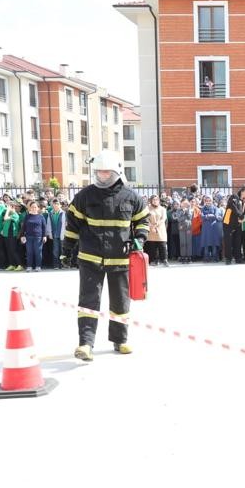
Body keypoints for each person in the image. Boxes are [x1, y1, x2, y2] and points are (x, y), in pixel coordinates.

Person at [62, 150, 148, 361]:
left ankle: (120, 340)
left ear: (116, 171)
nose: (102, 176)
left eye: (106, 172)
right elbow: (72, 225)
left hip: (120, 258)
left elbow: (143, 221)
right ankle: (85, 344)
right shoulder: (84, 196)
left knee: (120, 302)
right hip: (90, 258)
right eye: (99, 172)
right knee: (88, 302)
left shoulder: (131, 197)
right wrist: (66, 250)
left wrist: (140, 239)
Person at [19, 201, 51, 272]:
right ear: (30, 208)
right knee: (29, 252)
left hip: (38, 237)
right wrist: (22, 236)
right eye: (32, 207)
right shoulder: (27, 216)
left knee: (38, 252)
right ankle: (29, 266)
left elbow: (44, 227)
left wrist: (44, 236)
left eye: (35, 207)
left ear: (38, 208)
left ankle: (38, 266)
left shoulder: (41, 216)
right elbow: (23, 227)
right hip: (28, 237)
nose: (34, 208)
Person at [145, 195, 169, 267]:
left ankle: (164, 260)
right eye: (153, 200)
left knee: (162, 245)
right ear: (151, 201)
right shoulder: (147, 208)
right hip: (151, 229)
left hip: (160, 229)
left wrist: (156, 225)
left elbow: (164, 218)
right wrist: (151, 226)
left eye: (156, 199)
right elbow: (146, 218)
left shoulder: (162, 209)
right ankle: (153, 260)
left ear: (159, 201)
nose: (155, 201)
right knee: (152, 245)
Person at [223, 187, 245, 264]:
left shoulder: (241, 200)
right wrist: (240, 215)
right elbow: (233, 207)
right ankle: (228, 259)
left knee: (238, 242)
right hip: (228, 224)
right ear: (243, 191)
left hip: (237, 224)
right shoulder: (234, 197)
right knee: (228, 242)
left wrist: (242, 216)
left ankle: (238, 258)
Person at [1, 200, 24, 271]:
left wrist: (8, 210)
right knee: (9, 250)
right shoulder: (9, 214)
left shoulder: (15, 215)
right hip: (6, 234)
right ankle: (12, 264)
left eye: (8, 206)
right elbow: (4, 222)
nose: (6, 208)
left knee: (13, 250)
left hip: (12, 235)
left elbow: (5, 218)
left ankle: (20, 265)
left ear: (12, 207)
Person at [173, 200, 194, 264]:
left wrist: (187, 211)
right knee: (182, 243)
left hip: (188, 228)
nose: (184, 204)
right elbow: (179, 219)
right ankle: (183, 256)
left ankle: (189, 257)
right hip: (181, 228)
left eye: (185, 203)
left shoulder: (189, 209)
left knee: (188, 242)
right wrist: (183, 212)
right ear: (181, 204)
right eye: (183, 203)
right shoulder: (178, 210)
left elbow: (190, 217)